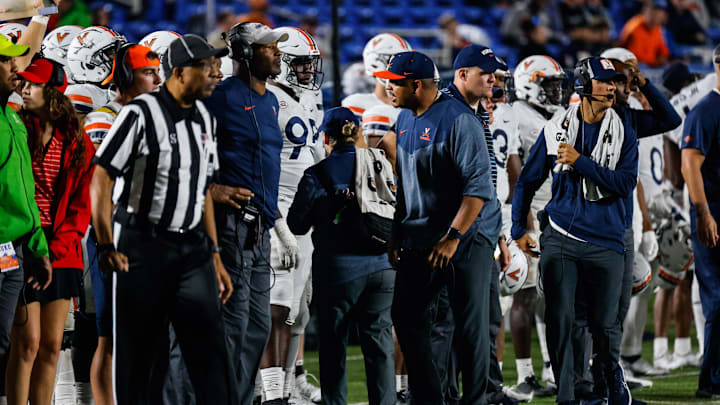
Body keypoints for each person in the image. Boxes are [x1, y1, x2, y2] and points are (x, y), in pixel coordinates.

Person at [90, 34, 233, 405]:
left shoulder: (205, 118)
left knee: (213, 360)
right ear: (180, 72)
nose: (216, 73)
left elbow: (202, 189)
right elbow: (102, 176)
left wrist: (214, 254)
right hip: (143, 245)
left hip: (193, 250)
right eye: (207, 67)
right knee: (141, 363)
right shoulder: (140, 113)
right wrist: (106, 243)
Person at [378, 50, 501, 405]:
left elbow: (478, 189)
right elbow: (406, 181)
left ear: (417, 85)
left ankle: (477, 400)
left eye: (395, 83)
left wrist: (454, 237)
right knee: (406, 315)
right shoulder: (403, 120)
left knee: (471, 327)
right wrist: (396, 232)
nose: (389, 89)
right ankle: (431, 398)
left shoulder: (460, 120)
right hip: (420, 238)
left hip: (462, 239)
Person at [512, 56, 637, 405]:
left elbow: (625, 183)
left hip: (607, 239)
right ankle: (567, 396)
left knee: (605, 325)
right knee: (561, 322)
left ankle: (610, 379)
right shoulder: (555, 128)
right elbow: (526, 180)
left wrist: (580, 161)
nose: (611, 87)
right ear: (583, 85)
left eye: (614, 81)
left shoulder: (625, 126)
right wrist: (517, 226)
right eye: (604, 81)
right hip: (561, 237)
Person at [204, 22, 288, 405]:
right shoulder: (219, 98)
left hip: (261, 229)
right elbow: (190, 151)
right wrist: (212, 190)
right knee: (233, 326)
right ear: (244, 54)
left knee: (257, 327)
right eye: (269, 47)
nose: (278, 53)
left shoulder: (272, 101)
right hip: (231, 225)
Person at [287, 106, 396, 405]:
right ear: (359, 132)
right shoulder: (380, 161)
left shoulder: (318, 172)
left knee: (334, 345)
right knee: (380, 343)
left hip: (338, 269)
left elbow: (296, 223)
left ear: (326, 137)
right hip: (383, 263)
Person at [6, 57, 93, 405]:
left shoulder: (76, 138)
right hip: (23, 245)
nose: (24, 88)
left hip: (63, 251)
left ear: (53, 90)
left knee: (52, 346)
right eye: (22, 82)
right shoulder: (15, 126)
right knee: (26, 344)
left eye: (33, 83)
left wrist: (56, 249)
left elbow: (80, 204)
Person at [81, 43, 162, 405]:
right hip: (111, 234)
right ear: (126, 77)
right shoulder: (105, 118)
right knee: (111, 337)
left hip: (145, 236)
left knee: (147, 335)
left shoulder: (151, 116)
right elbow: (101, 185)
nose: (158, 80)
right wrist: (104, 243)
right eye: (149, 72)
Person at [441, 44, 511, 404]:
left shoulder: (475, 111)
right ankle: (453, 396)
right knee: (458, 324)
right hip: (458, 234)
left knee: (486, 323)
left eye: (496, 74)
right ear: (463, 73)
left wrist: (497, 233)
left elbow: (486, 181)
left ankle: (484, 393)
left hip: (481, 231)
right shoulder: (446, 111)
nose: (493, 80)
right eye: (486, 73)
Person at [261, 26, 324, 405]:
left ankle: (286, 389)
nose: (307, 73)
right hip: (278, 214)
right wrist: (276, 220)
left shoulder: (300, 100)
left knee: (297, 311)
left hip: (303, 216)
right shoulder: (268, 101)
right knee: (277, 306)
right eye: (300, 65)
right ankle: (268, 393)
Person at [507, 54, 567, 399]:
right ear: (530, 84)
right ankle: (525, 373)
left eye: (558, 84)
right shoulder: (517, 115)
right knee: (526, 294)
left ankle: (551, 367)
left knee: (557, 294)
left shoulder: (561, 115)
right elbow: (519, 175)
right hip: (530, 211)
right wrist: (524, 220)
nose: (556, 91)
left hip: (560, 213)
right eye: (549, 83)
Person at [0, 35, 53, 405]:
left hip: (14, 253)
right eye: (6, 62)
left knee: (3, 346)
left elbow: (23, 193)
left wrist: (36, 248)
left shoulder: (13, 120)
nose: (16, 69)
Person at [680, 44, 720, 400]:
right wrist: (703, 212)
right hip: (714, 214)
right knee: (717, 300)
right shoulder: (706, 110)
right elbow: (689, 163)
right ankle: (710, 379)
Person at [65, 26, 124, 119]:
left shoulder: (114, 89)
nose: (120, 59)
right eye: (112, 54)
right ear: (89, 65)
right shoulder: (81, 92)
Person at [619, 1, 671, 67]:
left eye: (659, 12)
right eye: (654, 11)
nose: (657, 15)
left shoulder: (657, 29)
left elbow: (663, 55)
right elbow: (632, 58)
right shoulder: (635, 27)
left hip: (652, 68)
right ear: (645, 11)